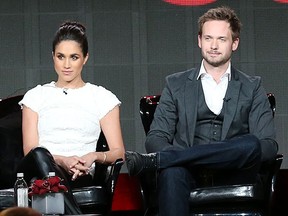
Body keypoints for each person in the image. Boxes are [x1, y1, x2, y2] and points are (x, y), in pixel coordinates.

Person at [125, 6, 278, 216]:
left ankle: (168, 159)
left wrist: (172, 156)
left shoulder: (252, 86)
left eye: (221, 39)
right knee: (171, 174)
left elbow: (269, 146)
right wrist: (182, 161)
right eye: (208, 38)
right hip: (188, 172)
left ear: (234, 43)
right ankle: (174, 162)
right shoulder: (176, 84)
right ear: (199, 40)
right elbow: (156, 137)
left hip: (235, 173)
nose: (213, 46)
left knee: (251, 144)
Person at [17, 21, 125, 214]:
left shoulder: (102, 97)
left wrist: (93, 157)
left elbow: (118, 152)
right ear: (53, 57)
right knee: (40, 155)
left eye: (74, 57)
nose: (66, 65)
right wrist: (62, 160)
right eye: (61, 57)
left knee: (50, 176)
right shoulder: (36, 96)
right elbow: (30, 150)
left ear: (85, 58)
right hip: (40, 170)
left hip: (80, 172)